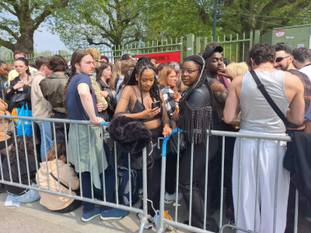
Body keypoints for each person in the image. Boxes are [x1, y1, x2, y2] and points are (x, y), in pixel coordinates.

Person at [224, 43, 305, 233]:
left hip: (247, 141)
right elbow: (297, 119)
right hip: (276, 142)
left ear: (252, 60)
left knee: (245, 192)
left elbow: (228, 117)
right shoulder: (294, 82)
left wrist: (246, 116)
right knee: (275, 194)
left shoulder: (238, 81)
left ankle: (245, 230)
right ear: (274, 59)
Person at [65, 49, 127, 222]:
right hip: (87, 133)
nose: (92, 65)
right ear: (77, 64)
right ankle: (105, 209)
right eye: (88, 62)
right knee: (103, 169)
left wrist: (93, 110)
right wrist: (93, 117)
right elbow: (84, 92)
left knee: (86, 171)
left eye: (93, 62)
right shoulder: (82, 79)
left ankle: (90, 208)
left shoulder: (72, 79)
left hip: (78, 132)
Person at [114, 57, 171, 225]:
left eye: (151, 79)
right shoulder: (129, 90)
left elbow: (165, 115)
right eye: (144, 79)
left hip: (158, 139)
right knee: (147, 178)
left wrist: (167, 125)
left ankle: (154, 210)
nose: (148, 83)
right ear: (137, 76)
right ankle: (146, 212)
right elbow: (118, 115)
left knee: (156, 178)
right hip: (141, 140)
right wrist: (141, 115)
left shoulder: (157, 90)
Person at [177, 55, 220, 232]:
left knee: (187, 185)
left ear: (200, 71)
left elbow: (186, 123)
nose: (185, 74)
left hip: (202, 145)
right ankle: (199, 223)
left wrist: (174, 117)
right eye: (183, 70)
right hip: (201, 143)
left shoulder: (199, 92)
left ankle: (206, 226)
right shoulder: (196, 89)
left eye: (190, 71)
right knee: (193, 185)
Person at [36, 143, 81, 213]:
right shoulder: (64, 168)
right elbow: (76, 186)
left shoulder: (42, 168)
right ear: (63, 156)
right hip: (64, 205)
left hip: (46, 204)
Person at [31, 56, 53, 161]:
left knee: (46, 140)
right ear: (44, 67)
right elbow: (44, 98)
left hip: (40, 114)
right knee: (47, 141)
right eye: (50, 67)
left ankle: (46, 164)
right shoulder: (40, 79)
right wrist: (52, 109)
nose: (51, 69)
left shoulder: (36, 78)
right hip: (43, 115)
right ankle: (46, 164)